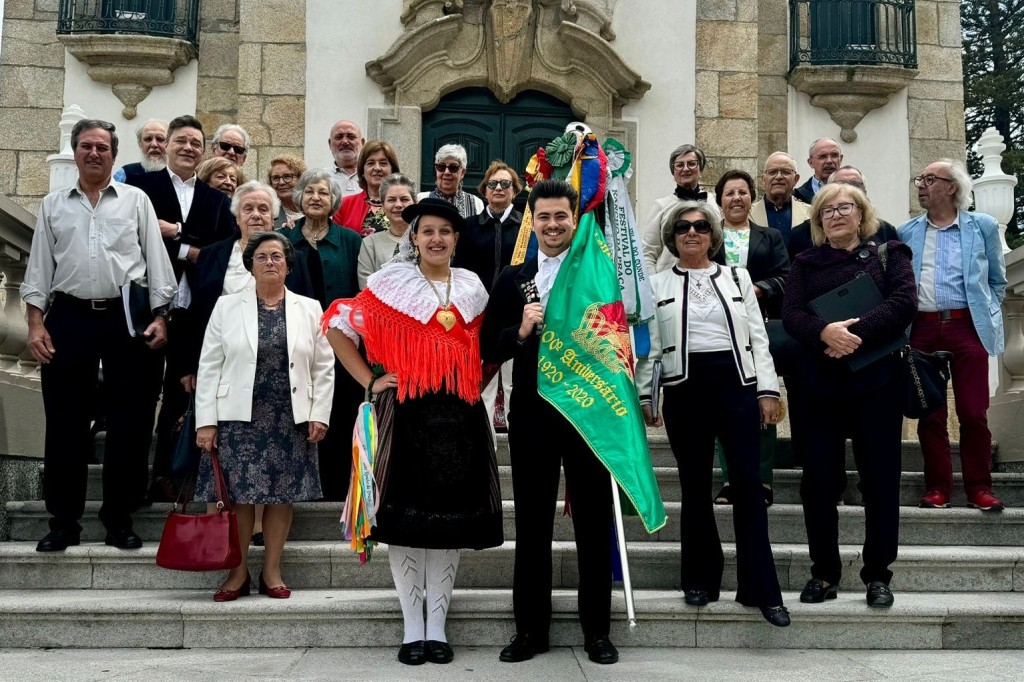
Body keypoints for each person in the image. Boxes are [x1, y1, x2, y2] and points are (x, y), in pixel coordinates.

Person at [324, 198, 502, 665]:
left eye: (446, 231)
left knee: (448, 526)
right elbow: (338, 326)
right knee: (405, 524)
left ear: (457, 239)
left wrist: (471, 384)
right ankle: (412, 628)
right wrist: (370, 380)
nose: (437, 239)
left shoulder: (473, 288)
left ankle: (438, 628)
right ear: (415, 237)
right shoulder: (389, 284)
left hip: (460, 419)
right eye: (428, 231)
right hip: (404, 414)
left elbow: (488, 350)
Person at [480, 180, 619, 665]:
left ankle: (597, 632)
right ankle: (530, 632)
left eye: (562, 217)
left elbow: (618, 342)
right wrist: (519, 329)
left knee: (593, 523)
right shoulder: (512, 278)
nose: (553, 225)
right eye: (544, 217)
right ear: (531, 222)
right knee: (534, 524)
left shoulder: (599, 275)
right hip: (533, 414)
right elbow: (488, 346)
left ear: (575, 219)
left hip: (587, 413)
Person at [21, 119, 177, 552]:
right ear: (74, 152)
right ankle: (63, 522)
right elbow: (38, 271)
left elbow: (156, 261)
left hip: (126, 318)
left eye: (102, 147)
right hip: (69, 315)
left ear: (113, 154)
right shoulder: (54, 205)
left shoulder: (136, 201)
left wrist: (162, 316)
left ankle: (119, 519)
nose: (94, 153)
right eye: (86, 146)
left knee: (130, 420)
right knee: (66, 421)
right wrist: (35, 323)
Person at [634, 200, 789, 628]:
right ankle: (700, 578)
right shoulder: (656, 282)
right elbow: (647, 347)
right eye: (682, 227)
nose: (692, 232)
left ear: (713, 235)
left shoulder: (737, 276)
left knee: (747, 487)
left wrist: (767, 389)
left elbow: (758, 338)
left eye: (701, 226)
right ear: (672, 236)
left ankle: (762, 588)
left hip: (737, 384)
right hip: (685, 388)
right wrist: (648, 395)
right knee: (695, 487)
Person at [783, 183, 917, 608]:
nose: (836, 215)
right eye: (827, 211)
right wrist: (823, 332)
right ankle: (824, 573)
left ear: (862, 214)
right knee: (819, 483)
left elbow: (903, 303)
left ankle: (878, 574)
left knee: (879, 481)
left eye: (845, 208)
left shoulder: (890, 253)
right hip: (821, 385)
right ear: (819, 221)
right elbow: (791, 314)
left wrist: (848, 335)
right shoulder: (804, 262)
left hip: (878, 384)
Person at [194, 232, 334, 602]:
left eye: (277, 256)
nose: (270, 262)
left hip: (290, 416)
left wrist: (319, 413)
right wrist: (205, 421)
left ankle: (272, 571)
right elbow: (209, 366)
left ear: (288, 265)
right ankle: (236, 573)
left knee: (281, 496)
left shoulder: (310, 308)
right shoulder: (226, 306)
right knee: (239, 498)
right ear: (250, 265)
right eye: (261, 257)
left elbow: (324, 366)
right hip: (238, 417)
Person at [125, 114, 237, 502]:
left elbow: (217, 251)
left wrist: (174, 234)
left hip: (193, 311)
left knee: (181, 393)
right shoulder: (140, 185)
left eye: (195, 142)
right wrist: (190, 246)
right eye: (180, 141)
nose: (188, 147)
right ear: (166, 145)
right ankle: (132, 487)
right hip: (148, 305)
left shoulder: (218, 200)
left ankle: (169, 476)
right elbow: (133, 236)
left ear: (202, 150)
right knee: (138, 399)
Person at [899, 160, 1008, 511]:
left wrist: (986, 312)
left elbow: (997, 282)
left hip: (968, 326)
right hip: (923, 327)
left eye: (930, 179)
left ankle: (979, 486)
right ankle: (938, 488)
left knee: (974, 411)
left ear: (951, 187)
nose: (921, 185)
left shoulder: (983, 226)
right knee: (930, 413)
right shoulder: (907, 232)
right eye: (920, 179)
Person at [279, 169, 364, 501]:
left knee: (341, 411)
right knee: (299, 412)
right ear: (299, 197)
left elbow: (361, 293)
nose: (316, 197)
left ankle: (336, 487)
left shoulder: (351, 241)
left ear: (334, 202)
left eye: (324, 193)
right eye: (310, 191)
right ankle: (300, 486)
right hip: (296, 341)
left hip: (341, 343)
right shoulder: (283, 239)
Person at [709, 170, 790, 506]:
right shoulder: (708, 237)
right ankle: (730, 480)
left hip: (760, 328)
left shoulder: (769, 236)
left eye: (742, 192)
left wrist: (758, 289)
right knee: (724, 405)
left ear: (751, 198)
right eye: (729, 193)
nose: (737, 198)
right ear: (720, 200)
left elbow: (786, 276)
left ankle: (762, 480)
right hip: (718, 331)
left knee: (763, 400)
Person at [454, 160, 524, 433]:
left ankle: (516, 436)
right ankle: (485, 443)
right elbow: (458, 271)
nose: (498, 188)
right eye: (493, 184)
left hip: (515, 317)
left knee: (512, 382)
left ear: (514, 190)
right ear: (484, 190)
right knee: (482, 384)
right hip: (478, 315)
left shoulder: (525, 228)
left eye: (505, 184)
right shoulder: (469, 227)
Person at [789, 166, 899, 258]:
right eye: (840, 185)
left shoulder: (885, 230)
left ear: (865, 193)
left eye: (855, 185)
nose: (847, 190)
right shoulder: (801, 234)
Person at [642, 144, 720, 273]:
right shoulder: (661, 205)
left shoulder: (713, 202)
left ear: (700, 168)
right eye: (679, 165)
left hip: (707, 279)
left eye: (691, 163)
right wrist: (653, 285)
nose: (685, 169)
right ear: (673, 172)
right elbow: (648, 253)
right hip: (667, 284)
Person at [357, 173, 416, 289]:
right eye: (391, 200)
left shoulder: (427, 240)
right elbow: (366, 287)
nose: (398, 205)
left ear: (415, 203)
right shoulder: (370, 243)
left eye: (404, 199)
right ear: (383, 207)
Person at [332, 140, 401, 236]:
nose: (377, 168)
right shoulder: (344, 205)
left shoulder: (407, 204)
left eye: (383, 163)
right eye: (370, 163)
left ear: (392, 170)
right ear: (362, 171)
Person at [750, 152, 811, 247]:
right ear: (763, 179)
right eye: (772, 172)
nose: (778, 177)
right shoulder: (747, 215)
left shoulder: (811, 213)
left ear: (796, 179)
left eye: (785, 172)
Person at [417, 143, 484, 218]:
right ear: (436, 170)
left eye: (453, 167)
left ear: (462, 172)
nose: (446, 172)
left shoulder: (476, 203)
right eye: (441, 166)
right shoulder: (421, 199)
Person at [793, 138, 843, 204]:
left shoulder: (853, 191)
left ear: (841, 159)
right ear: (811, 162)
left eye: (834, 155)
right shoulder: (797, 197)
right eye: (823, 156)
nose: (829, 161)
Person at [268, 154, 307, 228]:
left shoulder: (313, 209)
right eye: (276, 178)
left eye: (287, 176)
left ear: (301, 179)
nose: (281, 182)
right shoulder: (269, 213)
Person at [328, 119, 365, 197]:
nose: (345, 142)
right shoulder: (319, 178)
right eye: (339, 137)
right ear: (330, 143)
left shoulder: (374, 177)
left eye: (351, 137)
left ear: (362, 143)